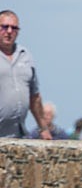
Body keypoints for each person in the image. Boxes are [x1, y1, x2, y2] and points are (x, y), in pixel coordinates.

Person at [0, 9, 52, 139]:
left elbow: (34, 97)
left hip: (18, 135)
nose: (9, 31)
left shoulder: (26, 55)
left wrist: (43, 128)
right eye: (4, 27)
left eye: (14, 28)